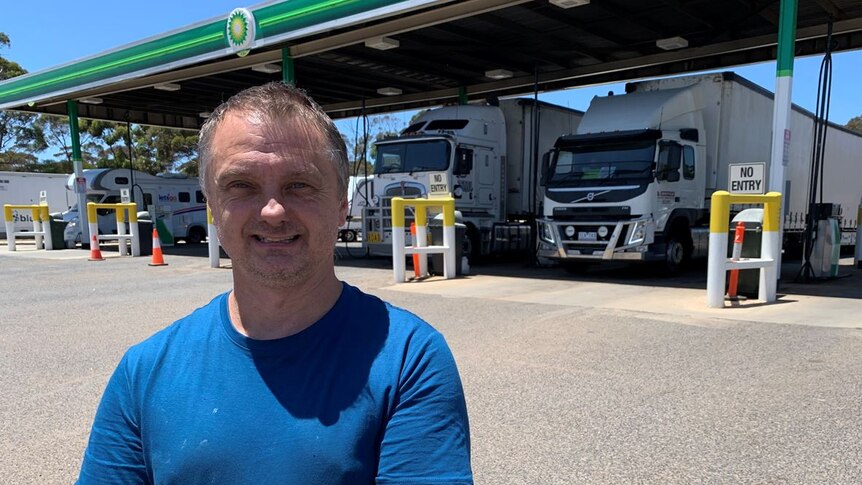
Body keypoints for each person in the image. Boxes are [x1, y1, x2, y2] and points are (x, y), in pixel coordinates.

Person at [77, 82, 472, 484]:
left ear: (341, 205)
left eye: (299, 184)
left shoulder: (409, 360)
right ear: (212, 206)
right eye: (241, 186)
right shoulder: (143, 372)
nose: (272, 211)